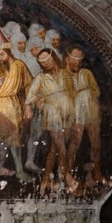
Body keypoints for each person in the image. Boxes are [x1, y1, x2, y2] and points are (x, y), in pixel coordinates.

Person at [24, 48, 78, 196]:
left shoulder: (65, 74)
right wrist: (36, 102)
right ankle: (66, 175)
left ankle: (46, 180)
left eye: (48, 59)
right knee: (60, 145)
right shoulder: (41, 78)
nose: (46, 63)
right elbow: (30, 96)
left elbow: (74, 90)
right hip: (51, 112)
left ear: (53, 57)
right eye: (42, 62)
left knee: (54, 148)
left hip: (67, 113)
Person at [0, 43, 34, 183]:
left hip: (14, 104)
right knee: (3, 139)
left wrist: (28, 107)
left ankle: (4, 169)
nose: (0, 58)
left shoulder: (19, 65)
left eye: (2, 54)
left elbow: (29, 85)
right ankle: (15, 171)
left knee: (14, 138)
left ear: (9, 52)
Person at [64, 45, 106, 186]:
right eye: (74, 59)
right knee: (74, 144)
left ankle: (97, 174)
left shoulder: (86, 73)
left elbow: (97, 91)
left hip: (91, 112)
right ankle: (69, 175)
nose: (77, 62)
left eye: (80, 60)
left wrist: (84, 93)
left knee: (96, 144)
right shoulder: (63, 75)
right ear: (67, 59)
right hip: (75, 114)